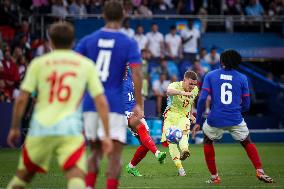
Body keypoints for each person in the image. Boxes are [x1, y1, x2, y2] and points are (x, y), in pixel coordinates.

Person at [6, 22, 112, 189]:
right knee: (76, 177)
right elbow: (101, 101)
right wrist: (106, 133)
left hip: (41, 128)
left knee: (22, 177)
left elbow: (21, 98)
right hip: (69, 129)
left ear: (50, 42)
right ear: (72, 42)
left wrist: (13, 128)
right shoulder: (85, 64)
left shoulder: (38, 64)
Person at [75, 1, 143, 189]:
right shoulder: (128, 42)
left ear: (103, 16)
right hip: (114, 104)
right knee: (115, 156)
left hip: (91, 103)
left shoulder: (88, 40)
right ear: (122, 17)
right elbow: (137, 73)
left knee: (95, 152)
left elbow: (74, 68)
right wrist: (139, 105)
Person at [192, 49, 274, 184]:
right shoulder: (242, 78)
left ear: (222, 61)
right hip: (235, 118)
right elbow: (247, 105)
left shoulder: (211, 75)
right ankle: (260, 171)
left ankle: (214, 177)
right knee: (247, 142)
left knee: (207, 141)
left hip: (215, 119)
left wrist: (199, 121)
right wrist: (235, 111)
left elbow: (202, 100)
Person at [124, 66, 167, 176]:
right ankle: (157, 153)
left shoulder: (130, 75)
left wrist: (141, 109)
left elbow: (139, 94)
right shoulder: (113, 78)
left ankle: (131, 167)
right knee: (140, 126)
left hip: (135, 111)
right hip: (122, 112)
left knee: (145, 144)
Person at [161, 70, 199, 176]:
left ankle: (185, 151)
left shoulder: (195, 90)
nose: (192, 86)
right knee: (171, 141)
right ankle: (180, 168)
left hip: (184, 115)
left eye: (194, 84)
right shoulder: (175, 85)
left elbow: (190, 103)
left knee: (184, 134)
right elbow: (168, 91)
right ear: (184, 80)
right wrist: (183, 92)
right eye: (190, 83)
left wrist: (191, 114)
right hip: (171, 115)